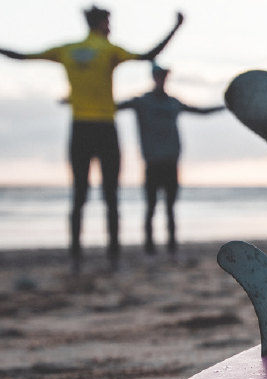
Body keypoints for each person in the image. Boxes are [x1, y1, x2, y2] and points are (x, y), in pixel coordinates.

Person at [0, 6, 184, 270]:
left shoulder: (67, 50)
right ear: (100, 23)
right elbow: (149, 55)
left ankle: (76, 259)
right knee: (111, 196)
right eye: (109, 22)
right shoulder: (109, 50)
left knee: (79, 195)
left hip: (80, 129)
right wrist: (175, 28)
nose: (111, 28)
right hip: (105, 128)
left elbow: (20, 56)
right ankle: (113, 259)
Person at [117, 63, 224, 256]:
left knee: (170, 208)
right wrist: (77, 101)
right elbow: (112, 106)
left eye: (165, 75)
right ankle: (150, 251)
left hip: (171, 161)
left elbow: (200, 111)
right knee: (150, 208)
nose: (162, 79)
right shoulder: (142, 102)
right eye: (159, 75)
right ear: (154, 77)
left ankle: (172, 249)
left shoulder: (173, 103)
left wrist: (225, 107)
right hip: (152, 162)